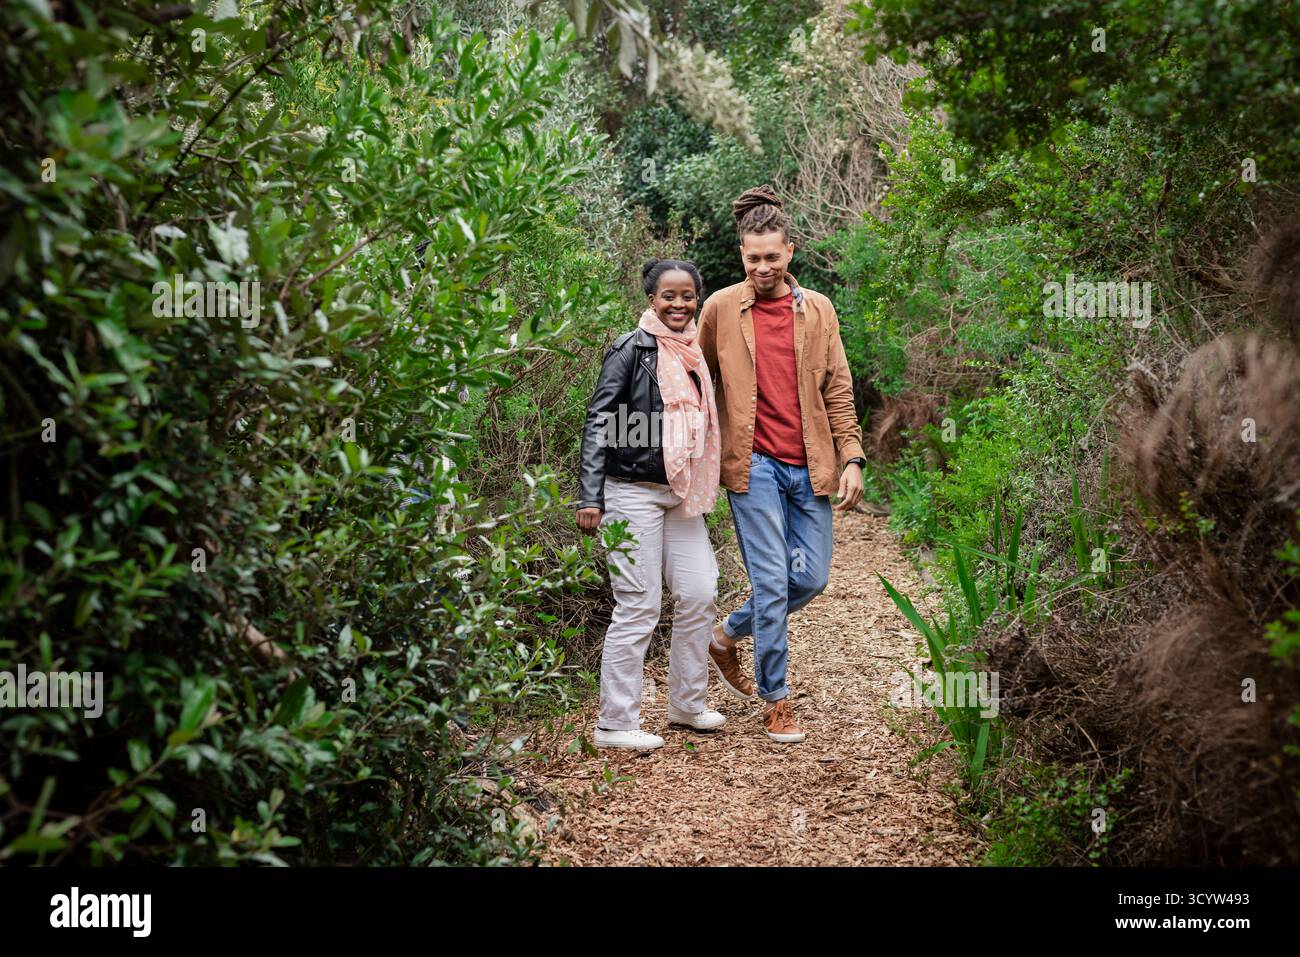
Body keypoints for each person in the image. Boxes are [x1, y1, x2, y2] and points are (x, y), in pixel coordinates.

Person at [697, 185, 867, 744]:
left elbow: (839, 387)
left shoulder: (818, 309)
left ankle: (725, 635)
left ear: (790, 251)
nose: (763, 267)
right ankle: (777, 699)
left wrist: (852, 456)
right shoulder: (721, 308)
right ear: (741, 256)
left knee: (811, 578)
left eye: (772, 256)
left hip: (810, 464)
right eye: (753, 258)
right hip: (752, 468)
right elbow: (694, 381)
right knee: (771, 583)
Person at [575, 259, 725, 750]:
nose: (679, 304)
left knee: (700, 591)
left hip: (679, 492)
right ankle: (615, 724)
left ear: (696, 298)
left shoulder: (692, 353)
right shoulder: (631, 348)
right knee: (639, 604)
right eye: (669, 296)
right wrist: (590, 494)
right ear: (651, 299)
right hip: (630, 488)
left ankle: (687, 704)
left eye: (687, 296)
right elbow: (600, 419)